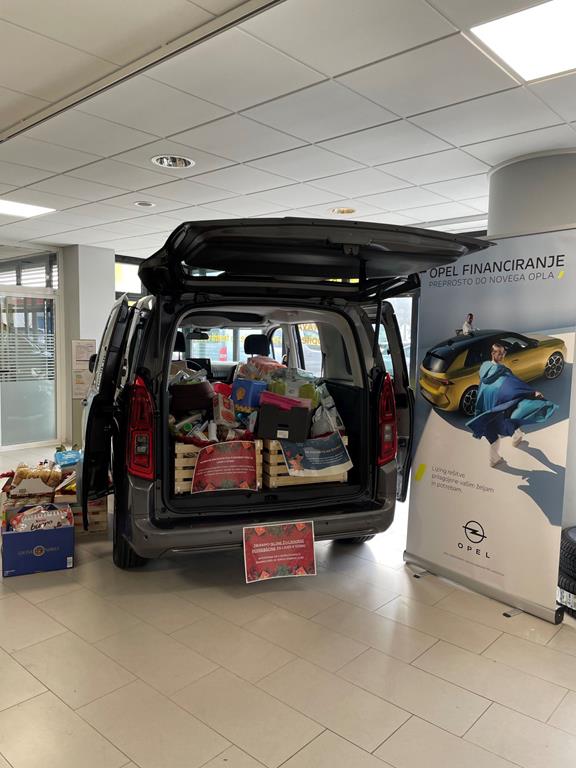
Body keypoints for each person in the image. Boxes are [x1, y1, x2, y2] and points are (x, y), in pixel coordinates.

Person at [467, 343, 558, 467]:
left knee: (503, 424)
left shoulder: (484, 368)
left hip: (488, 406)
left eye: (503, 353)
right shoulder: (502, 371)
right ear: (493, 353)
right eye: (499, 353)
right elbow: (515, 385)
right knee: (501, 430)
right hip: (498, 406)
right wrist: (532, 392)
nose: (502, 355)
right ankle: (494, 460)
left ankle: (514, 439)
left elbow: (485, 389)